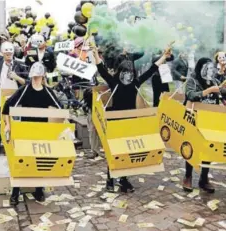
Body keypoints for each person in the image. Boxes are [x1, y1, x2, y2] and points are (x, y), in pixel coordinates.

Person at [92, 44, 172, 193]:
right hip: (115, 121)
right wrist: (95, 54)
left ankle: (124, 179)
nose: (128, 75)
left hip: (130, 121)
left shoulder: (135, 83)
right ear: (120, 72)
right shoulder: (114, 82)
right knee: (114, 150)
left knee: (126, 151)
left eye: (130, 72)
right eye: (125, 72)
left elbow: (151, 70)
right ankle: (110, 179)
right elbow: (101, 69)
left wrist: (164, 57)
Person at [2, 62, 63, 205]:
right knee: (21, 160)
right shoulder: (24, 90)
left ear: (43, 77)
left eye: (38, 77)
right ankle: (15, 191)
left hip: (41, 131)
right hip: (24, 131)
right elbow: (7, 107)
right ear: (31, 76)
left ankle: (38, 189)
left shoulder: (48, 92)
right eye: (34, 77)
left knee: (40, 160)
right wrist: (8, 125)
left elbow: (61, 109)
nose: (36, 79)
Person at [182, 57, 226, 193]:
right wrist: (208, 91)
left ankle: (204, 179)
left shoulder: (213, 81)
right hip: (194, 120)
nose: (210, 71)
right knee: (192, 147)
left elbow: (221, 92)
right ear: (200, 68)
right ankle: (188, 176)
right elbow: (190, 95)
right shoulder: (192, 81)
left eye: (212, 69)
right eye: (207, 68)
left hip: (210, 121)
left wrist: (220, 90)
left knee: (208, 149)